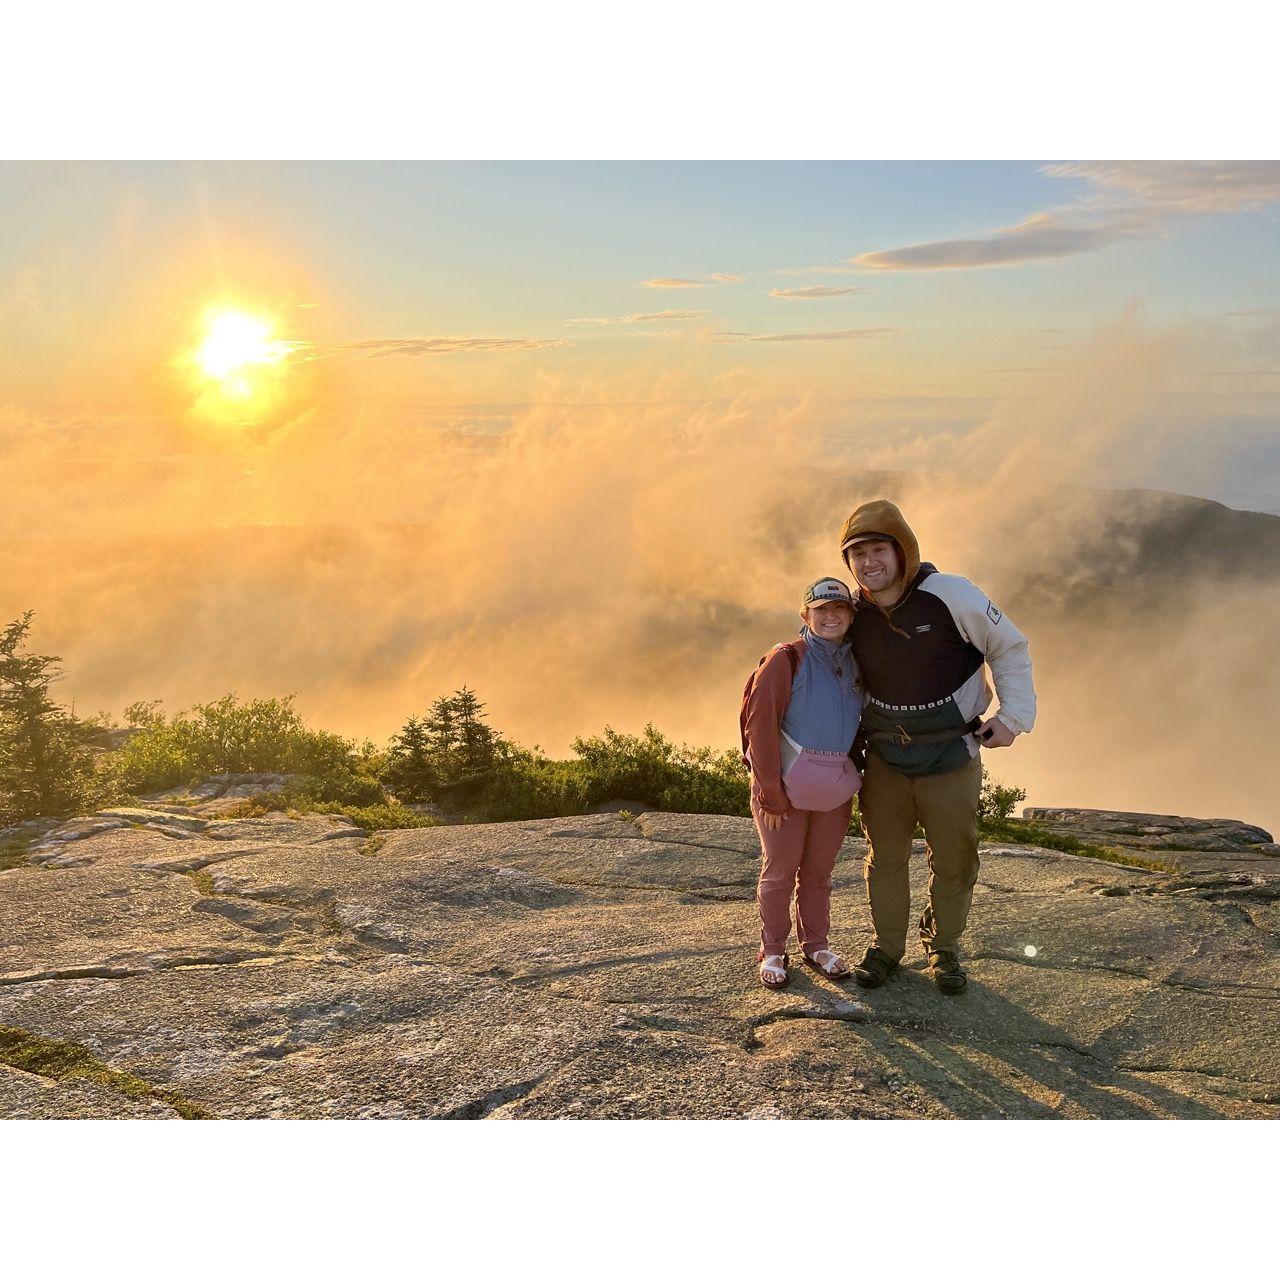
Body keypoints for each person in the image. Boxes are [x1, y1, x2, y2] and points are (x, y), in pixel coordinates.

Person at [839, 499, 1036, 994]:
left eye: (878, 549)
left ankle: (944, 946)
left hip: (951, 753)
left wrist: (1013, 719)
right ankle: (887, 948)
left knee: (954, 858)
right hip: (885, 757)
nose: (868, 562)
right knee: (885, 858)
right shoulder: (851, 611)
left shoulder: (951, 594)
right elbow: (820, 660)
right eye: (857, 554)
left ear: (902, 551)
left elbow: (1008, 646)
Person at [741, 577, 864, 990]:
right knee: (780, 871)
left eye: (839, 609)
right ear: (805, 614)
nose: (831, 616)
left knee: (819, 872)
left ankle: (816, 945)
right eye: (821, 609)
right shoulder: (786, 658)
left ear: (851, 616)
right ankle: (773, 949)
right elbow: (759, 725)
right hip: (783, 787)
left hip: (833, 788)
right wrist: (769, 791)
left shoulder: (856, 662)